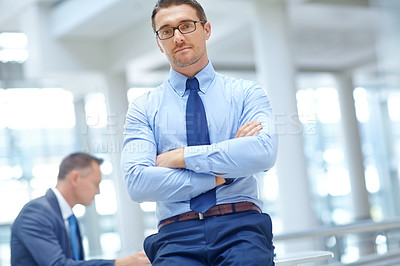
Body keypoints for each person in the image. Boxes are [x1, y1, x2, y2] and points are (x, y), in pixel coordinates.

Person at [121, 0, 278, 265]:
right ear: (159, 42)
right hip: (175, 235)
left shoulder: (246, 93)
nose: (178, 37)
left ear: (206, 29)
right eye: (167, 31)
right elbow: (138, 183)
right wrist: (223, 173)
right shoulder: (143, 108)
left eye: (186, 26)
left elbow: (263, 154)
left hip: (241, 227)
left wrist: (181, 156)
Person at [11, 152, 150, 266]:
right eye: (96, 184)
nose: (98, 191)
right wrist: (119, 263)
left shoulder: (68, 218)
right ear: (75, 178)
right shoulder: (36, 213)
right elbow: (58, 264)